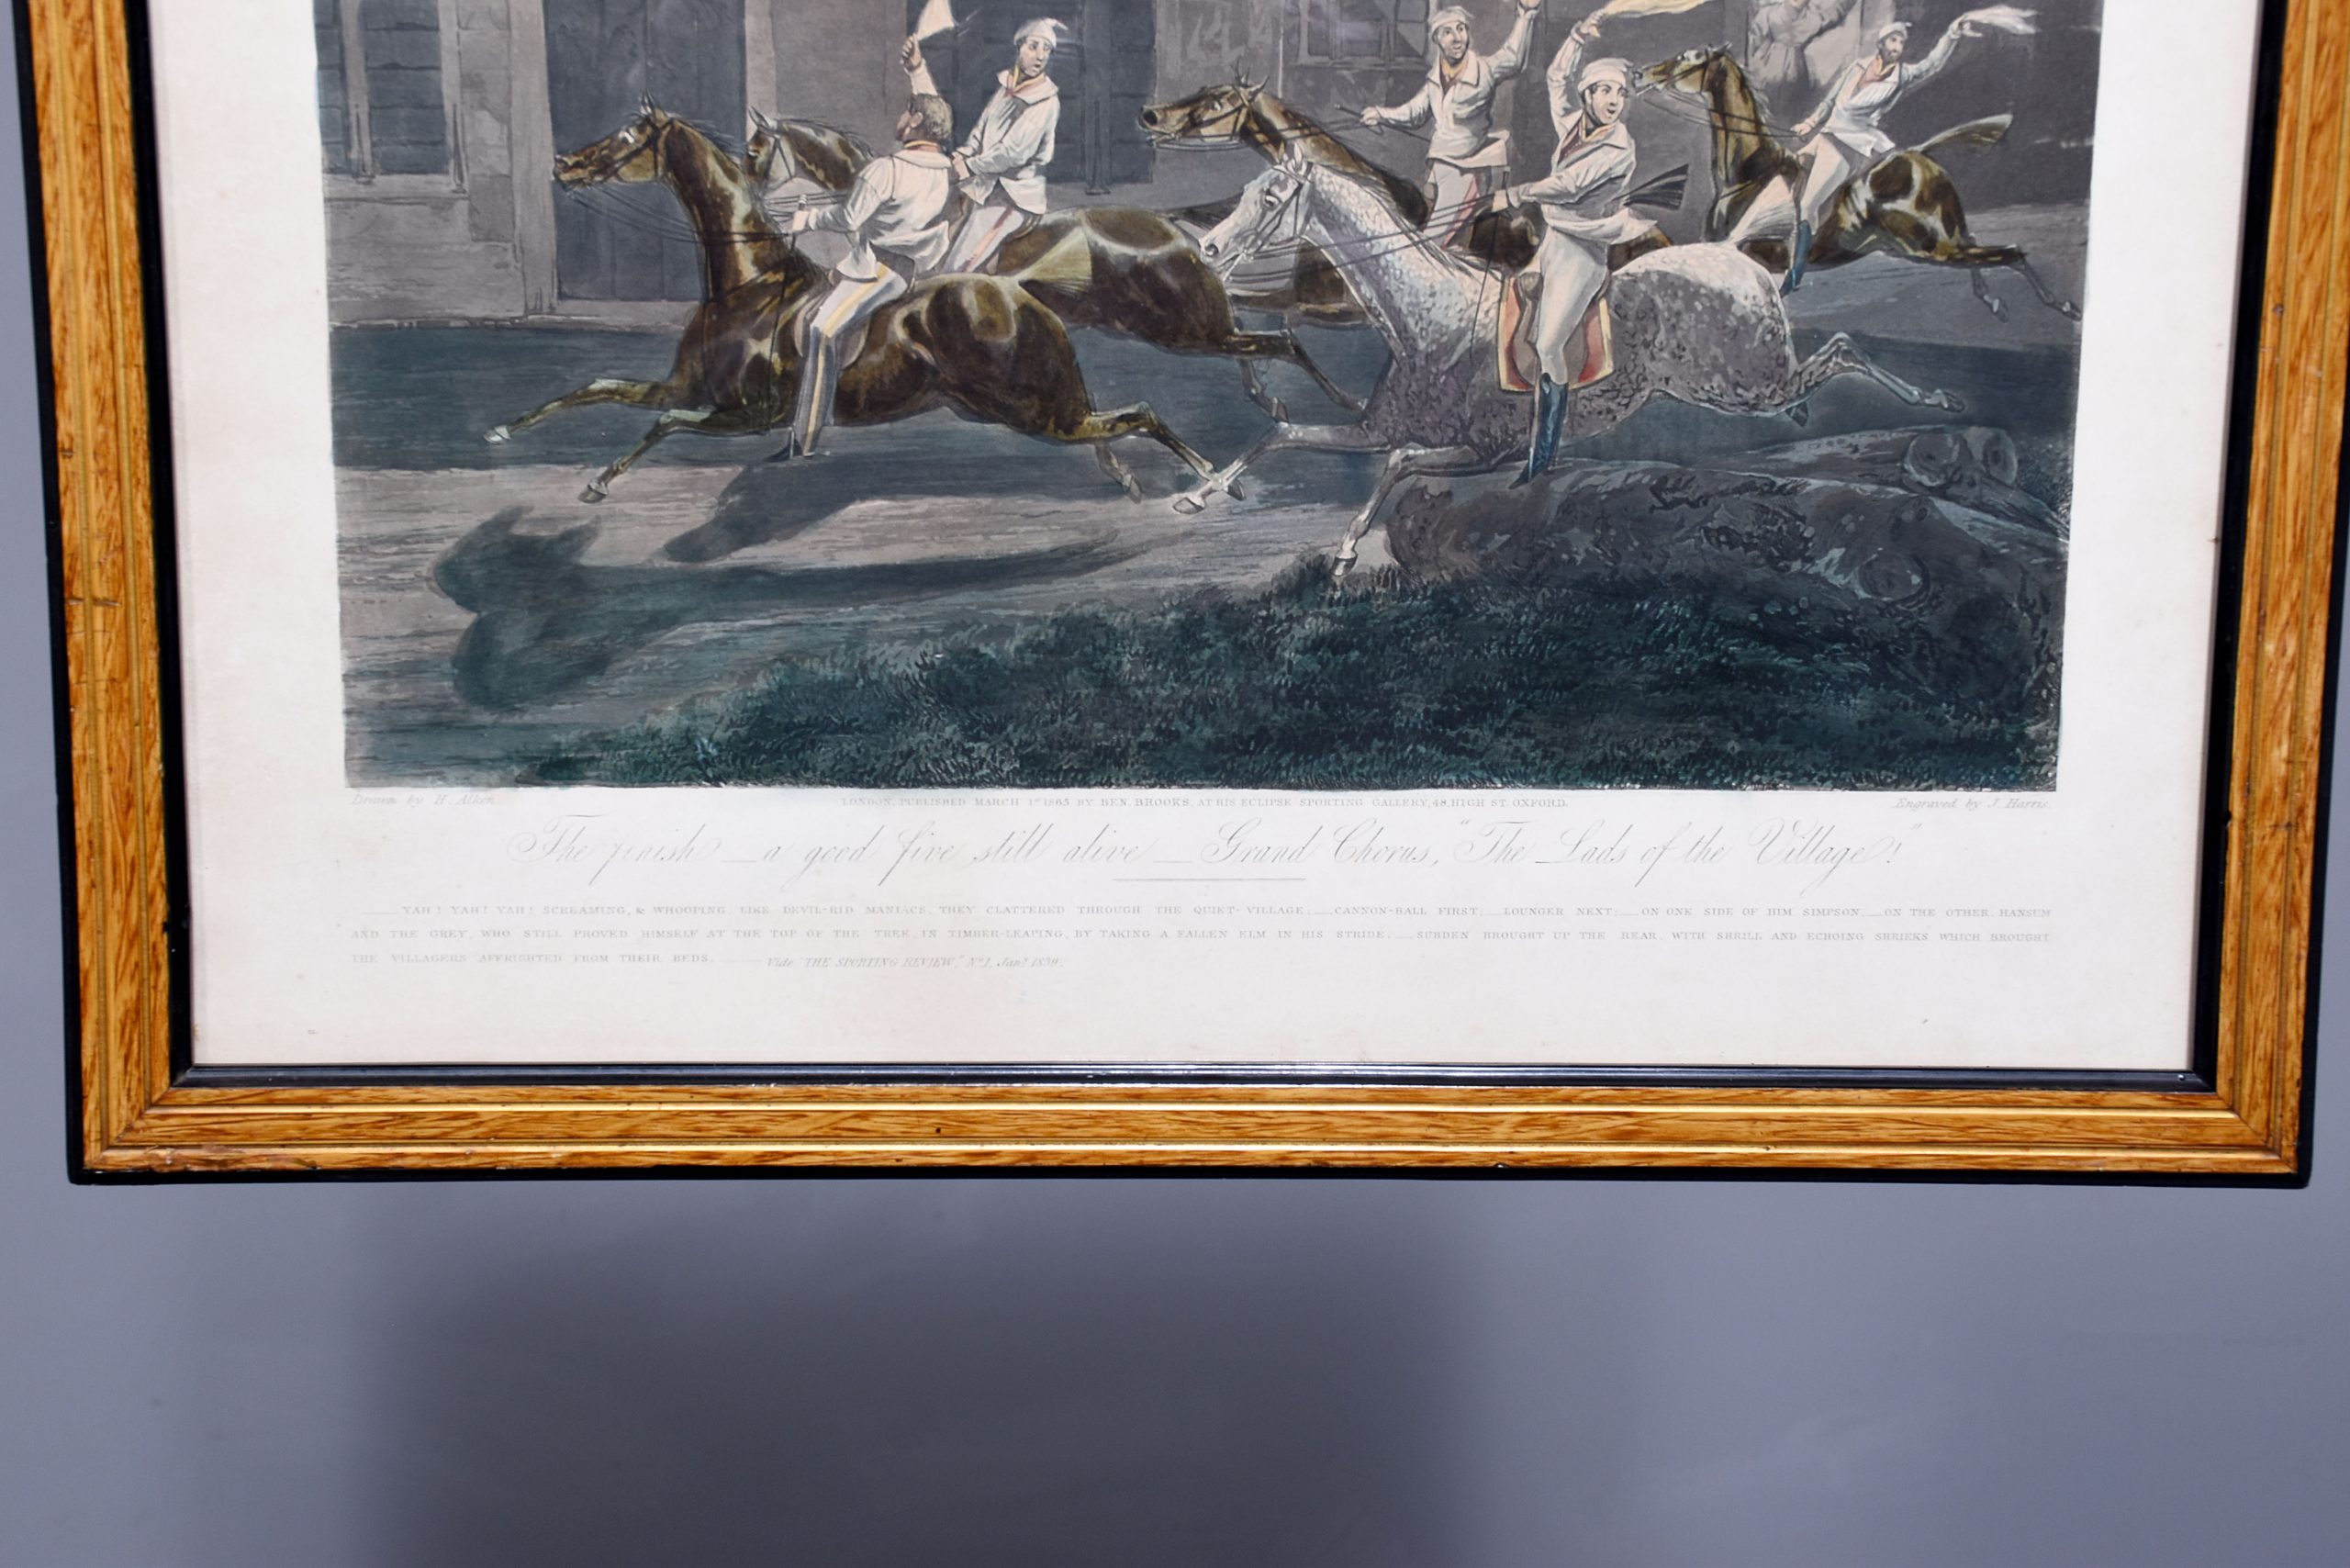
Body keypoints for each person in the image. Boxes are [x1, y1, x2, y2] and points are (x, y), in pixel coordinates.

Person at [1486, 12, 1652, 485]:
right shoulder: (1575, 126)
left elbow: (1568, 184)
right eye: (1605, 91)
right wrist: (1578, 37)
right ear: (1588, 95)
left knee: (1549, 344)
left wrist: (1519, 193)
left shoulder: (1618, 148)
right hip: (1555, 240)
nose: (1614, 101)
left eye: (1621, 93)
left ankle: (1543, 457)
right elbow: (1556, 77)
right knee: (1510, 310)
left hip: (1584, 250)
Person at [778, 95, 957, 459]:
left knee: (821, 329)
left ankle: (806, 437)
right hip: (905, 269)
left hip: (877, 270)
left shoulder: (886, 169)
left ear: (915, 120)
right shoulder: (944, 170)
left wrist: (806, 219)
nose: (900, 117)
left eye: (906, 111)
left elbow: (849, 219)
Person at [1777, 15, 1990, 293]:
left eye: (1901, 43)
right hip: (1825, 135)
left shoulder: (1902, 76)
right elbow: (1830, 101)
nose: (1897, 47)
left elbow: (1932, 64)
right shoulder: (1857, 67)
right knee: (1784, 176)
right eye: (1893, 40)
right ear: (1881, 43)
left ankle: (1795, 274)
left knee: (1807, 206)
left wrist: (1952, 34)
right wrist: (1809, 123)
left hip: (1849, 145)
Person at [1358, 0, 1545, 243]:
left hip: (1467, 169)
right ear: (1437, 39)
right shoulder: (1435, 80)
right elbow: (1414, 113)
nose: (1457, 38)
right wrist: (1380, 114)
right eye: (1448, 32)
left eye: (1461, 29)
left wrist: (1526, 13)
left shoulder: (1484, 70)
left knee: (1432, 242)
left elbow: (1514, 58)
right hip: (1439, 166)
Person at [903, 18, 1066, 274]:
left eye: (1046, 50)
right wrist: (962, 156)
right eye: (1034, 46)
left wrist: (968, 166)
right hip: (984, 185)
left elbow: (1012, 153)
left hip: (1013, 196)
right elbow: (979, 136)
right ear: (1019, 47)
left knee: (957, 268)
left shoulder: (1046, 101)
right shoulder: (1006, 88)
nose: (1040, 56)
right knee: (931, 235)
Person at [1745, 0, 1863, 112]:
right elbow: (1754, 47)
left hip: (1789, 79)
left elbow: (1834, 14)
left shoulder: (1809, 19)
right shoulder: (1770, 14)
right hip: (1775, 80)